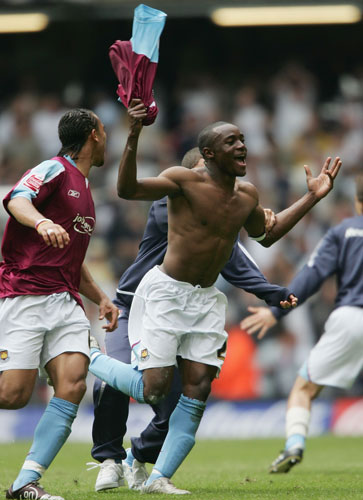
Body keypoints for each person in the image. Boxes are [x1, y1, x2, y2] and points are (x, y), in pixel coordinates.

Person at [88, 98, 341, 494]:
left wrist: (312, 197)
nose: (242, 146)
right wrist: (135, 132)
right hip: (157, 297)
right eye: (231, 142)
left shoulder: (245, 196)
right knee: (148, 387)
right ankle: (90, 365)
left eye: (242, 140)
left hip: (204, 301)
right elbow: (127, 188)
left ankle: (155, 475)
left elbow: (264, 236)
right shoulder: (181, 189)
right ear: (206, 156)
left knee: (197, 392)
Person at [0, 108, 119, 500]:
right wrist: (41, 222)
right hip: (25, 295)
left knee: (73, 384)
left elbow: (71, 258)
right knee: (13, 396)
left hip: (65, 300)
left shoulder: (85, 187)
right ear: (92, 135)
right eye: (104, 129)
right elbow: (17, 198)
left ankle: (25, 484)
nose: (107, 136)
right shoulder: (53, 169)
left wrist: (100, 296)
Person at [241, 173, 363, 474]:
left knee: (304, 388)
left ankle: (294, 444)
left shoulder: (343, 232)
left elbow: (311, 276)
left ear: (357, 202)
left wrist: (276, 311)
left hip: (353, 317)